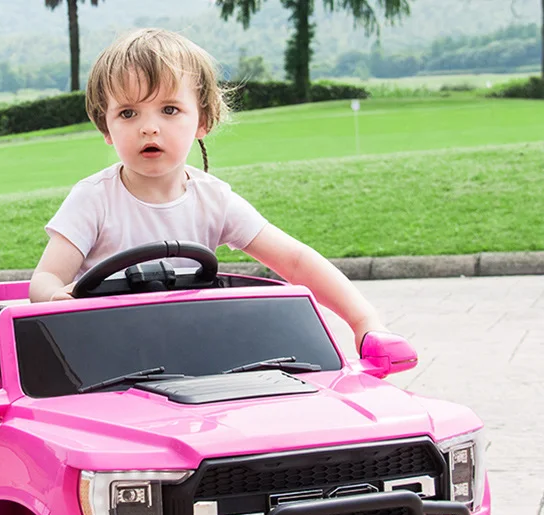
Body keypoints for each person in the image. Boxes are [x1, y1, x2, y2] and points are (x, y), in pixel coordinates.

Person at [28, 28, 386, 348]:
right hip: (104, 356)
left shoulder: (214, 200)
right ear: (105, 126)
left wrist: (363, 320)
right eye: (128, 113)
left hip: (194, 354)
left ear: (203, 120)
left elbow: (295, 261)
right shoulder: (93, 199)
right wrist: (56, 297)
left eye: (169, 109)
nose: (149, 128)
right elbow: (45, 278)